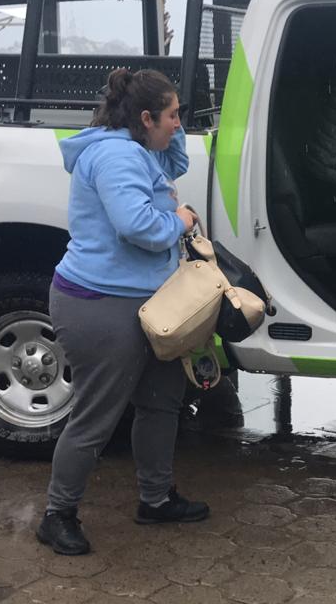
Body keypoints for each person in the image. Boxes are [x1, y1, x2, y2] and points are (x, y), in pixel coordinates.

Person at [36, 67, 208, 557]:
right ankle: (57, 515)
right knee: (97, 415)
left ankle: (156, 499)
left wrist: (171, 125)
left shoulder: (139, 149)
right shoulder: (117, 155)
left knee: (161, 401)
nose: (179, 124)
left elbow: (174, 165)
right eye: (172, 116)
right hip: (100, 304)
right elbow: (138, 227)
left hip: (145, 304)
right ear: (146, 118)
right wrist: (181, 220)